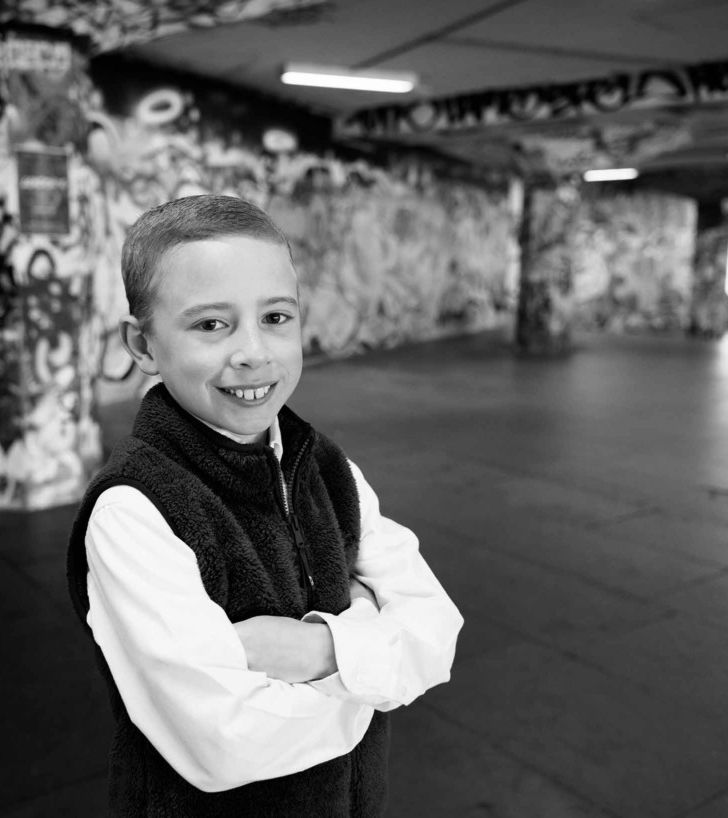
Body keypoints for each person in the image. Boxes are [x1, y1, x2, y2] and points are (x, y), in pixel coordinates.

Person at [66, 194, 463, 817]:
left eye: (276, 317)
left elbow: (437, 633)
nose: (253, 351)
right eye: (210, 325)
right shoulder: (134, 510)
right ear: (142, 346)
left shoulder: (328, 470)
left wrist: (321, 651)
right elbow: (225, 741)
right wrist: (375, 660)